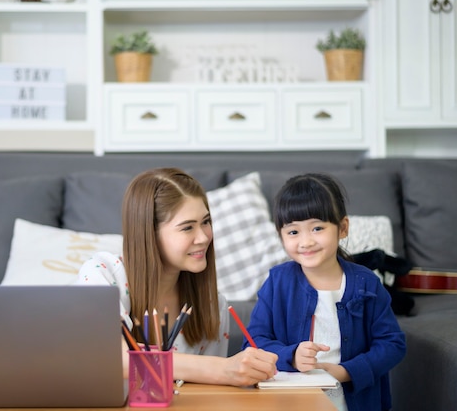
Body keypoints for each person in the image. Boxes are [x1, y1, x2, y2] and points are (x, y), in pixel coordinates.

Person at [77, 167, 277, 386]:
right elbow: (106, 357)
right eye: (187, 228)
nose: (203, 237)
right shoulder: (103, 273)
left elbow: (206, 393)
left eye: (206, 222)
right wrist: (221, 369)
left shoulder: (213, 304)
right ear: (149, 234)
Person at [244, 173, 406, 411]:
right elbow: (254, 343)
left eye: (317, 228)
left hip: (354, 403)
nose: (306, 242)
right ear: (280, 236)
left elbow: (392, 344)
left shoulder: (366, 282)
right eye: (293, 232)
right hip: (290, 403)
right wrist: (291, 356)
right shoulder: (278, 281)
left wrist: (346, 372)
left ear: (342, 228)